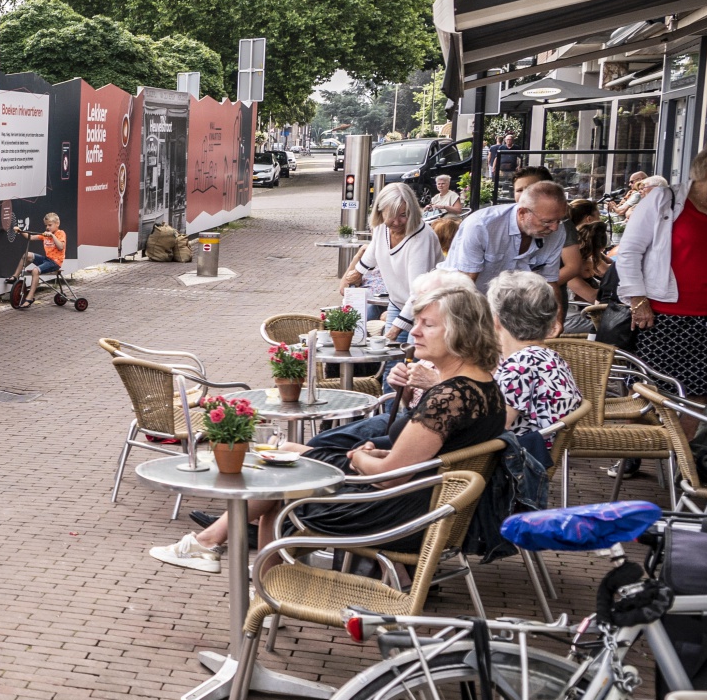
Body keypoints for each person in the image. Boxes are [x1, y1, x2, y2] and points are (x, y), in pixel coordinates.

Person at [151, 281, 504, 574]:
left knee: (280, 479)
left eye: (428, 324)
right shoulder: (484, 388)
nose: (414, 330)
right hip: (430, 507)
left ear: (462, 332)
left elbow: (388, 477)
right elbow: (424, 458)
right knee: (284, 465)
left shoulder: (450, 396)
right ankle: (246, 575)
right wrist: (377, 454)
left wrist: (360, 457)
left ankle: (252, 583)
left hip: (396, 513)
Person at [613, 140, 707, 418]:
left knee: (699, 392)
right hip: (665, 315)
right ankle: (634, 451)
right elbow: (629, 252)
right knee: (649, 388)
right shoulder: (665, 199)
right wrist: (637, 299)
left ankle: (681, 457)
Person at [484, 271, 583, 443]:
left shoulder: (520, 365)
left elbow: (491, 430)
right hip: (538, 456)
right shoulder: (550, 358)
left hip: (512, 461)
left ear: (496, 320)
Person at [440, 179, 570, 292]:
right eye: (547, 222)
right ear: (522, 213)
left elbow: (549, 283)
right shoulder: (481, 226)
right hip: (463, 297)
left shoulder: (557, 230)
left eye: (559, 220)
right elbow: (465, 285)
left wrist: (556, 320)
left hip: (508, 306)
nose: (555, 227)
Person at [355, 184, 441, 341]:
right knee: (390, 362)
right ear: (380, 213)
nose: (396, 222)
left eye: (403, 214)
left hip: (427, 308)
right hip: (398, 302)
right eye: (391, 216)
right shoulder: (381, 227)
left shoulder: (421, 238)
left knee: (412, 357)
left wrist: (394, 331)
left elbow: (419, 292)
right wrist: (356, 273)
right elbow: (373, 251)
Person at [16, 212, 67, 299]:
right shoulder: (45, 234)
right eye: (46, 225)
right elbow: (30, 237)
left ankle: (30, 297)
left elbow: (61, 247)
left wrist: (52, 236)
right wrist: (20, 231)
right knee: (27, 255)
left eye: (50, 225)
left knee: (35, 271)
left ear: (57, 224)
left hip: (55, 263)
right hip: (47, 260)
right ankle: (15, 276)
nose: (47, 227)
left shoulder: (60, 233)